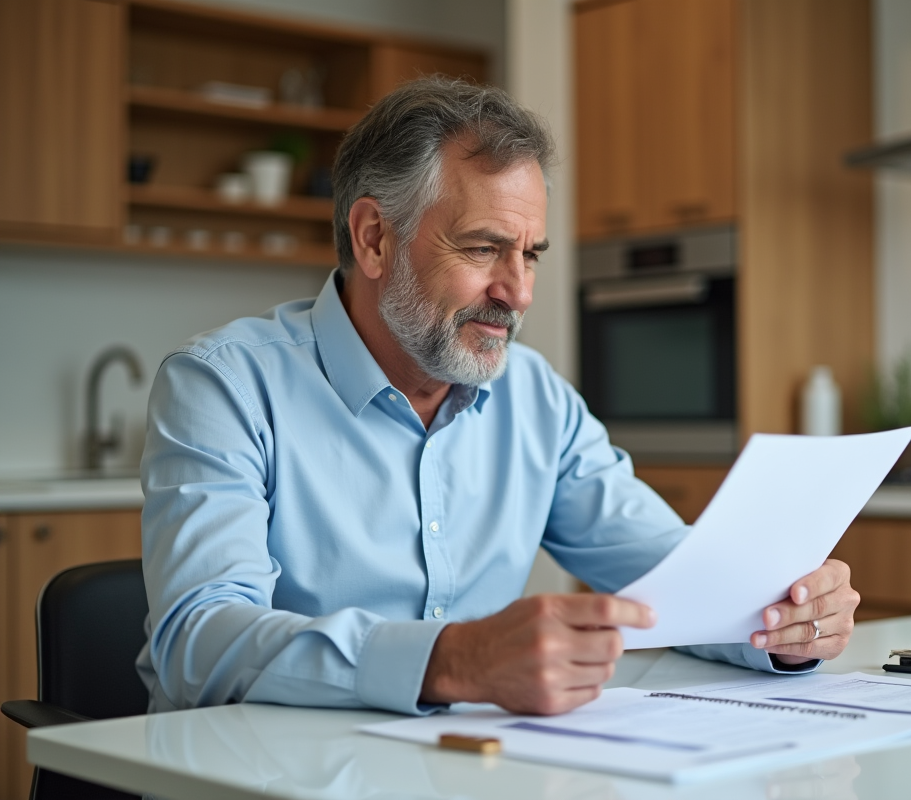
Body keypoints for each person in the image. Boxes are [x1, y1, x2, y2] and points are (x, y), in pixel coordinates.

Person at [136, 78, 860, 717]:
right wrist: (455, 660)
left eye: (531, 254)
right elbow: (199, 643)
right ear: (374, 239)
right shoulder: (224, 384)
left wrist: (784, 622)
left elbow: (677, 585)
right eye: (484, 248)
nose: (517, 291)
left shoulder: (536, 398)